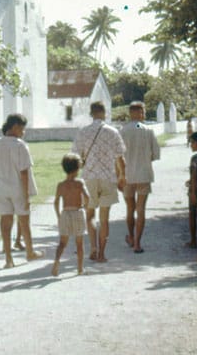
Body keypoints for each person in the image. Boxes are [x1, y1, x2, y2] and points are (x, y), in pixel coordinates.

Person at [0, 113, 42, 268]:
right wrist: (26, 195)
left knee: (5, 221)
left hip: (2, 187)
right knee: (24, 221)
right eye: (22, 129)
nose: (23, 132)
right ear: (15, 127)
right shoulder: (20, 145)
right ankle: (30, 252)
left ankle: (8, 258)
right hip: (18, 187)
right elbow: (24, 172)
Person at [71, 101, 126, 262]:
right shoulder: (113, 132)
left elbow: (75, 157)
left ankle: (93, 248)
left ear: (91, 113)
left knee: (90, 215)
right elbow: (120, 158)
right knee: (104, 218)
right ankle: (102, 253)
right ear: (104, 112)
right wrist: (122, 176)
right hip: (108, 177)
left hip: (89, 177)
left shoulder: (83, 132)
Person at [120, 101, 161, 254]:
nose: (144, 115)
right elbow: (156, 154)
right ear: (138, 113)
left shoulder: (123, 131)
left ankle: (131, 236)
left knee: (130, 208)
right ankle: (137, 243)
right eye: (142, 112)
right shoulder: (148, 130)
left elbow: (118, 156)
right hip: (144, 174)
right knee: (141, 209)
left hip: (127, 175)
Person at [52, 153, 90, 276]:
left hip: (65, 213)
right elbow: (87, 197)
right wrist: (85, 206)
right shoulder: (80, 183)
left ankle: (56, 262)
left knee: (62, 243)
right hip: (77, 212)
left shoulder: (61, 185)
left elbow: (56, 202)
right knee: (79, 243)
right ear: (78, 168)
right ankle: (80, 268)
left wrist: (59, 216)